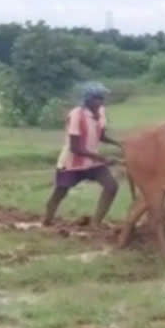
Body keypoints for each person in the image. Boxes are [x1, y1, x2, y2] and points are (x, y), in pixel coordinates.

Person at [43, 81, 123, 227]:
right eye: (98, 98)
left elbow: (100, 135)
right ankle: (47, 221)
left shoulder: (101, 112)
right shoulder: (76, 115)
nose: (101, 101)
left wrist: (119, 143)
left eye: (102, 98)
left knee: (111, 186)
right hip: (71, 162)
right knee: (60, 192)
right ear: (88, 99)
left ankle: (96, 223)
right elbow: (75, 148)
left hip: (92, 162)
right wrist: (104, 158)